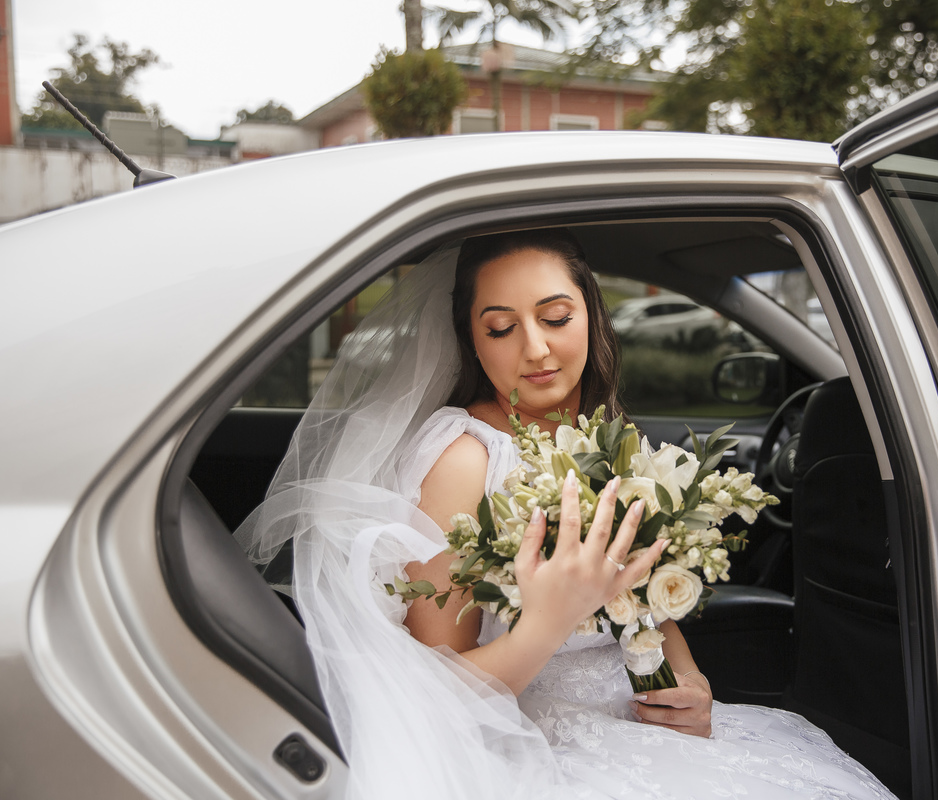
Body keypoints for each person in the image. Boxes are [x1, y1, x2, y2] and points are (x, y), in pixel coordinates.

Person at [237, 228, 897, 800]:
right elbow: (430, 694)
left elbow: (640, 605)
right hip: (536, 753)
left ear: (592, 315)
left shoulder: (605, 436)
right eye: (501, 328)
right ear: (471, 339)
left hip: (637, 728)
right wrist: (545, 622)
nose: (536, 349)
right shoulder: (466, 461)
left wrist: (689, 682)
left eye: (555, 317)